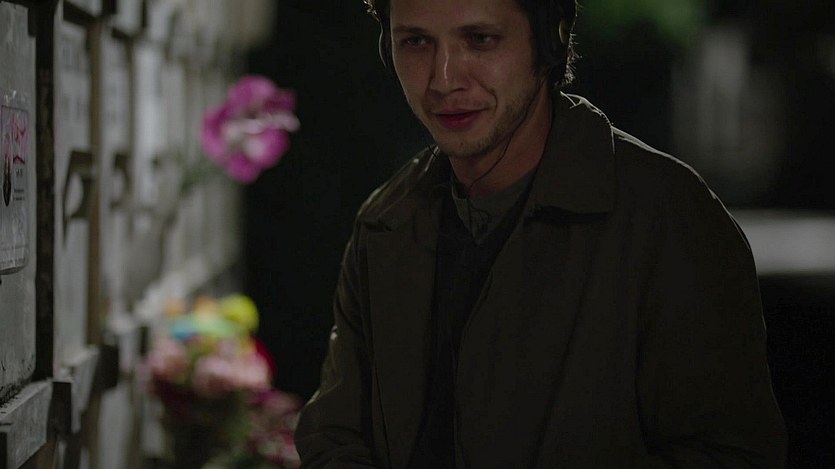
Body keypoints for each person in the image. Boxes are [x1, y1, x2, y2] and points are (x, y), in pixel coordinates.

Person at [295, 0, 787, 467]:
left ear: (551, 39)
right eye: (416, 42)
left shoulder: (667, 218)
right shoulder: (386, 224)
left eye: (480, 39)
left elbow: (732, 455)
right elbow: (334, 438)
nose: (443, 79)